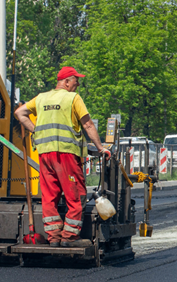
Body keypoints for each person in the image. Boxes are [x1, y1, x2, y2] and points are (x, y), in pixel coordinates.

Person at [14, 67, 110, 247]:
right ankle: (68, 237)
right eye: (76, 80)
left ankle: (54, 237)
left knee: (49, 196)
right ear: (66, 82)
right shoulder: (73, 98)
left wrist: (37, 131)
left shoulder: (41, 98)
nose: (78, 84)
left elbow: (20, 113)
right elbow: (88, 124)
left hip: (45, 155)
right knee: (75, 195)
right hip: (66, 155)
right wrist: (100, 148)